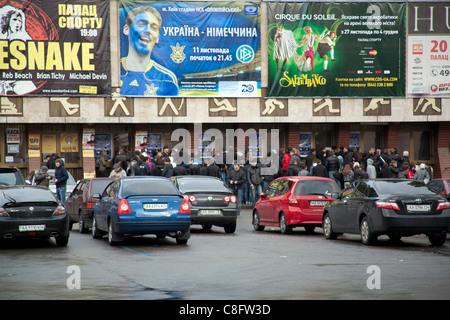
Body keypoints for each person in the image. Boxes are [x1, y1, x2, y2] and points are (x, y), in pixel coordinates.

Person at [120, 6, 178, 96]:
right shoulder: (110, 73)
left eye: (154, 28)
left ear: (158, 37)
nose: (147, 30)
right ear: (126, 29)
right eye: (141, 24)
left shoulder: (168, 79)